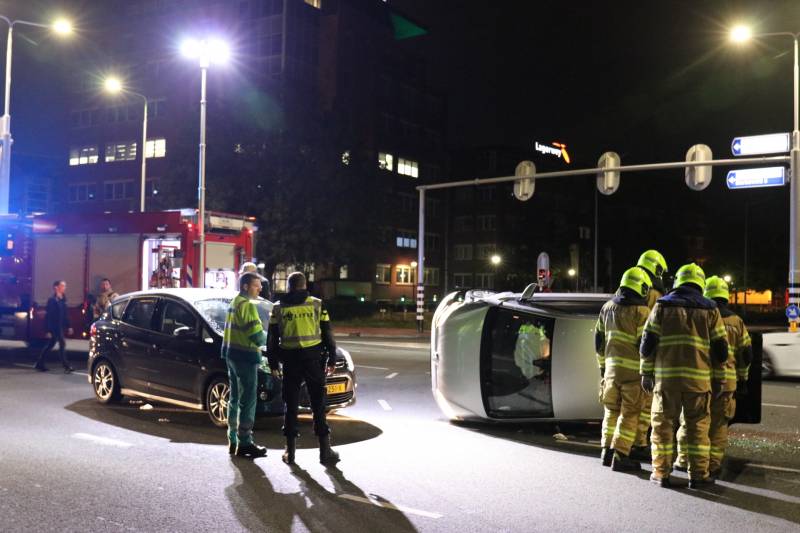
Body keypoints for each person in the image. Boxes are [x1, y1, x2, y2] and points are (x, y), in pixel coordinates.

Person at [640, 263, 728, 488]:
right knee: (697, 428)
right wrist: (719, 380)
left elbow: (647, 344)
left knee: (662, 426)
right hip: (698, 383)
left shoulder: (661, 306)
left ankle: (661, 473)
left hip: (666, 382)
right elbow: (720, 351)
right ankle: (698, 476)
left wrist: (646, 373)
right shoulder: (710, 309)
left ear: (678, 281)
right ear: (700, 282)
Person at [674, 276, 752, 477]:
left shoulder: (702, 316)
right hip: (726, 384)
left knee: (690, 422)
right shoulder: (737, 322)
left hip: (701, 379)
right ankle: (713, 464)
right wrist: (742, 379)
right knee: (718, 425)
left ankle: (683, 460)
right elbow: (746, 354)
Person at [267, 271, 339, 465]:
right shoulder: (317, 304)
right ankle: (325, 451)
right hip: (313, 360)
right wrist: (332, 358)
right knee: (318, 404)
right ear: (304, 285)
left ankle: (290, 453)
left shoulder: (278, 307)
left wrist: (273, 363)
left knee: (290, 405)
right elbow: (327, 333)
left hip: (290, 361)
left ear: (289, 286)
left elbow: (272, 339)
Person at [595, 267, 652, 471]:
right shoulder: (642, 312)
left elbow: (598, 341)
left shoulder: (607, 308)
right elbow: (645, 347)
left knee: (611, 412)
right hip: (633, 374)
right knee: (629, 414)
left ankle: (606, 451)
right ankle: (621, 455)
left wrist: (602, 366)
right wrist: (649, 372)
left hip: (611, 371)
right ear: (642, 287)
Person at [221, 272, 268, 458]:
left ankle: (233, 439)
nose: (260, 288)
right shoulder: (247, 305)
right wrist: (272, 339)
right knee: (248, 400)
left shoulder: (234, 303)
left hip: (231, 354)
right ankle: (245, 442)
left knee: (234, 398)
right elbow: (256, 335)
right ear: (246, 286)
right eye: (257, 285)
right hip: (245, 357)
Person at [632, 249, 669, 460]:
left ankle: (623, 444)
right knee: (644, 403)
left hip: (624, 354)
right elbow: (654, 328)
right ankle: (638, 444)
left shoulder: (630, 284)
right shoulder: (654, 293)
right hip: (644, 355)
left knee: (627, 404)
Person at [34, 280, 74, 373]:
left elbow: (65, 314)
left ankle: (39, 363)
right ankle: (66, 366)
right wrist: (47, 330)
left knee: (50, 344)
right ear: (56, 287)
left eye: (65, 286)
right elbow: (49, 316)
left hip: (60, 326)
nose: (65, 288)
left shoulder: (63, 299)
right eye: (63, 286)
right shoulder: (52, 300)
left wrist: (69, 326)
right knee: (62, 344)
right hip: (54, 327)